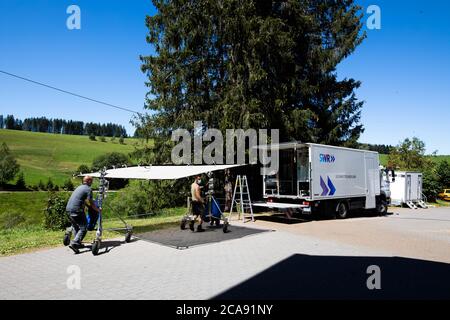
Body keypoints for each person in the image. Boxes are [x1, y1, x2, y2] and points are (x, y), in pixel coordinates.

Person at [66, 176, 100, 251]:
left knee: (76, 227)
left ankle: (78, 243)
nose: (92, 182)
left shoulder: (79, 187)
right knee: (84, 228)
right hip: (77, 210)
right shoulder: (88, 189)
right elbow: (91, 202)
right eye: (91, 181)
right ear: (88, 181)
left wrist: (88, 206)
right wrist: (97, 209)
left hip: (68, 210)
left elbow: (83, 200)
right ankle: (75, 242)